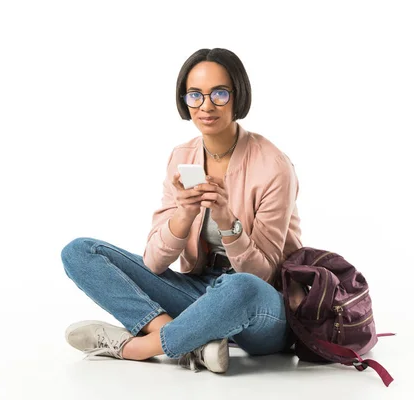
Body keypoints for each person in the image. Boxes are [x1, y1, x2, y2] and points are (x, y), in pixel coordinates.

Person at [60, 48, 305, 374]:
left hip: (263, 308)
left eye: (219, 93)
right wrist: (184, 215)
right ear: (184, 100)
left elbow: (263, 275)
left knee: (238, 286)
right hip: (200, 292)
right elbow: (154, 262)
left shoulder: (273, 165)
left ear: (238, 96)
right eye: (195, 95)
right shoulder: (182, 157)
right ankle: (191, 339)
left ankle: (139, 347)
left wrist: (225, 220)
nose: (206, 105)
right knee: (79, 252)